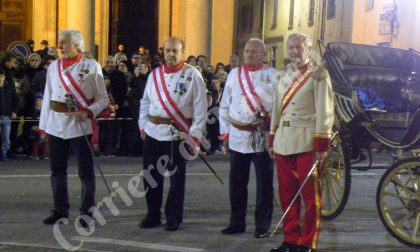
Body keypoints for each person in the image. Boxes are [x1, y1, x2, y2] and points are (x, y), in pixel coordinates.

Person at [269, 33, 334, 252]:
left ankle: (307, 243)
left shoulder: (318, 74)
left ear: (307, 49)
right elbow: (277, 108)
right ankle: (290, 239)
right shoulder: (284, 74)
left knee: (310, 198)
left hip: (307, 142)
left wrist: (321, 144)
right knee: (287, 195)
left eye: (299, 47)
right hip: (284, 142)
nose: (295, 51)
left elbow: (325, 110)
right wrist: (272, 136)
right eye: (291, 47)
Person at [39, 30, 109, 226]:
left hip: (80, 125)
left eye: (64, 43)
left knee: (85, 172)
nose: (60, 46)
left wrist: (88, 112)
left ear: (76, 45)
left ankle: (87, 212)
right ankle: (60, 211)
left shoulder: (91, 66)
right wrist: (43, 126)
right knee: (57, 171)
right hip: (55, 124)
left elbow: (102, 98)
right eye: (60, 43)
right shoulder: (54, 67)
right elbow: (47, 97)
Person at [138, 36, 207, 231]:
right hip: (153, 132)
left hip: (178, 134)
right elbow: (145, 102)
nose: (170, 54)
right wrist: (142, 125)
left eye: (174, 51)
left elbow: (200, 107)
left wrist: (195, 134)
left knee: (177, 179)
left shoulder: (193, 75)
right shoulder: (154, 75)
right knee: (151, 176)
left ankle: (173, 217)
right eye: (167, 50)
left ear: (182, 53)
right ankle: (152, 215)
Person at [219, 38, 280, 238]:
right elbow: (225, 106)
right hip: (237, 137)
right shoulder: (234, 74)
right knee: (236, 184)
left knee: (264, 185)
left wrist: (271, 124)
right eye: (247, 51)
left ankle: (262, 226)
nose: (250, 54)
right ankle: (236, 223)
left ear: (263, 54)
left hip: (261, 137)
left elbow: (281, 105)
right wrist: (225, 133)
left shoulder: (273, 75)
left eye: (254, 51)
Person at [0, 59, 19, 161]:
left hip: (7, 115)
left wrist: (15, 111)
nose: (0, 78)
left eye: (2, 76)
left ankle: (4, 152)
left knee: (6, 138)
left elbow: (16, 100)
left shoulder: (9, 87)